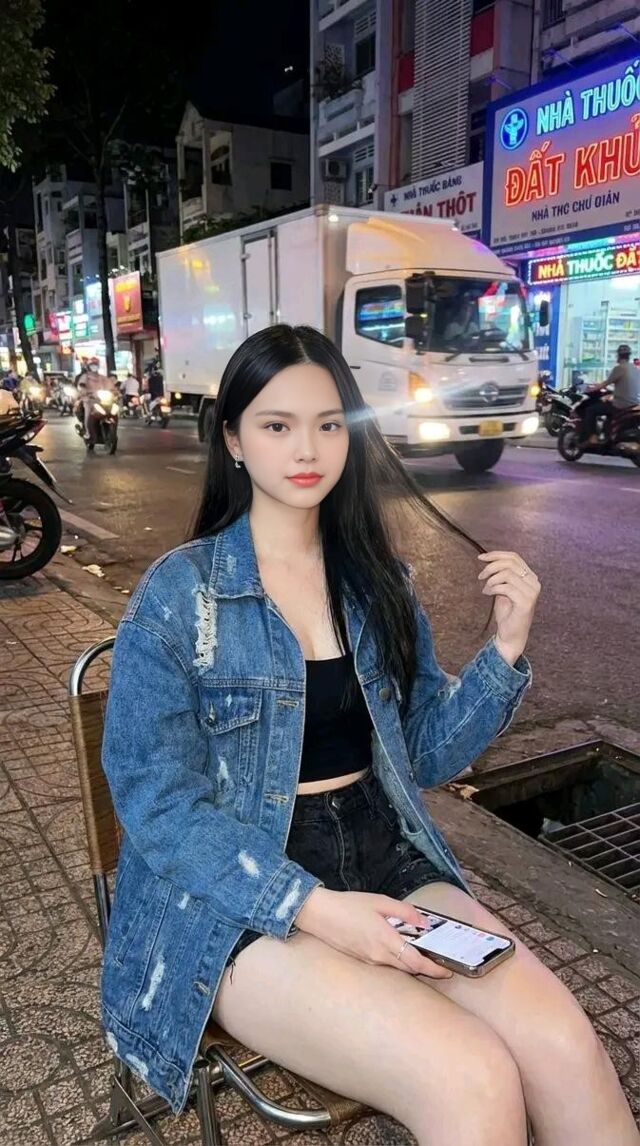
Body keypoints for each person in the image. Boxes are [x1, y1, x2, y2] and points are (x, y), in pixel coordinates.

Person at [101, 325, 638, 1145]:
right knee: (471, 1079)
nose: (307, 448)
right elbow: (158, 807)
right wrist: (312, 907)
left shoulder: (374, 580)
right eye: (277, 425)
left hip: (381, 851)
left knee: (564, 1046)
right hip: (234, 898)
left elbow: (423, 753)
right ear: (234, 440)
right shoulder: (180, 596)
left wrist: (504, 651)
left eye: (328, 424)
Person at [580, 343, 640, 444]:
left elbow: (605, 384)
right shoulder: (634, 369)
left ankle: (593, 437)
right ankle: (606, 434)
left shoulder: (619, 368)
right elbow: (623, 386)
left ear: (618, 356)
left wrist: (590, 389)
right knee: (607, 408)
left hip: (621, 404)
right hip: (634, 403)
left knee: (591, 410)